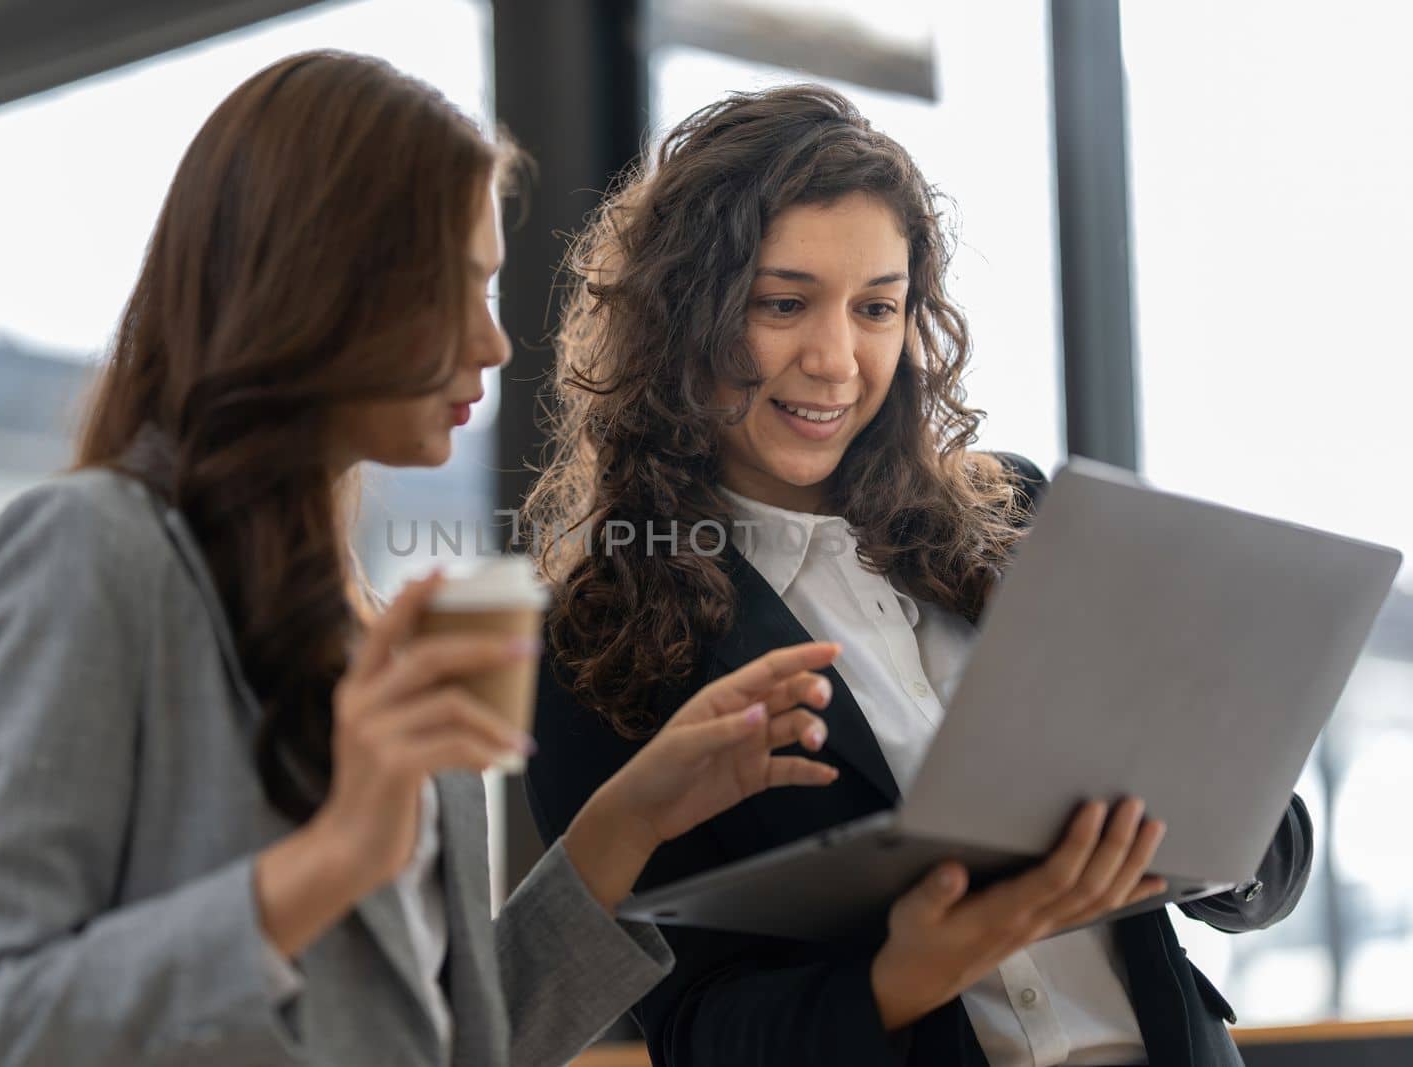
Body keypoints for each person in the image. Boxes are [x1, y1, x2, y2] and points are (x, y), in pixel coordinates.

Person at [0, 53, 847, 1067]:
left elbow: (452, 1041)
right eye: (462, 286)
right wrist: (328, 858)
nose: (491, 342)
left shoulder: (367, 619)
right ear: (321, 279)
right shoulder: (92, 550)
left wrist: (632, 817)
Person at [522, 84, 1313, 1067]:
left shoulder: (1016, 518)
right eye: (781, 302)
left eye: (876, 308)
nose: (836, 359)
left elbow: (1269, 868)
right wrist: (908, 971)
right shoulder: (602, 631)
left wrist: (1185, 807)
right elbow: (702, 1032)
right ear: (683, 316)